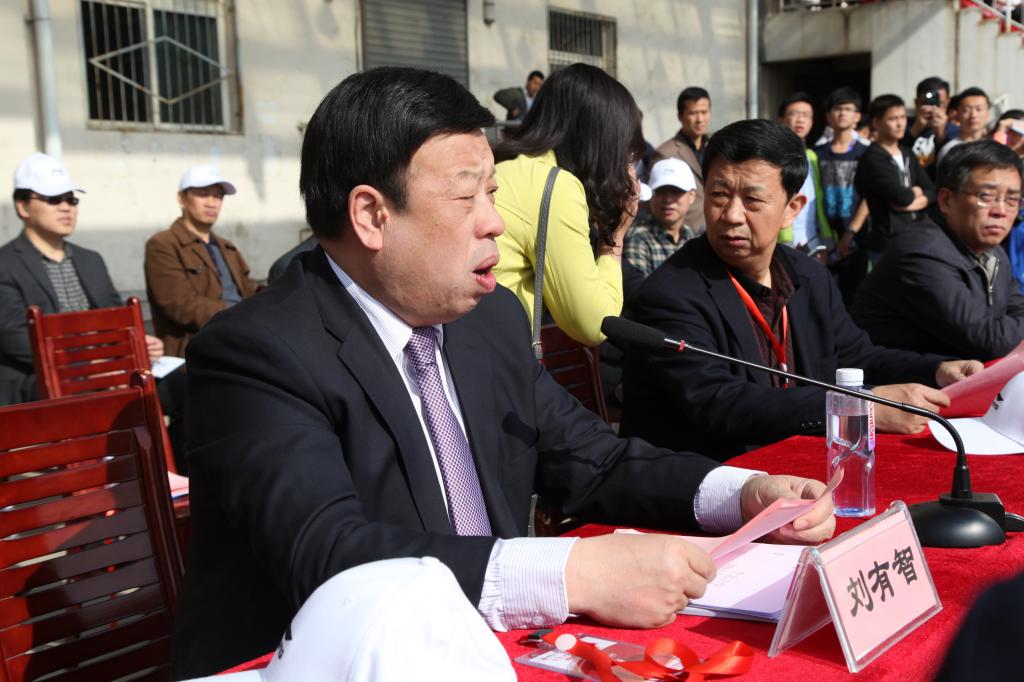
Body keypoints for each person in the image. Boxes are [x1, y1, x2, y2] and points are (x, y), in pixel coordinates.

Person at [170, 68, 836, 679]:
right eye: (467, 198)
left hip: (496, 650)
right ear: (372, 215)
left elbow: (593, 460)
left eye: (491, 192)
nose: (495, 223)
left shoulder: (486, 320)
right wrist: (570, 573)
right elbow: (329, 555)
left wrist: (741, 495)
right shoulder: (256, 353)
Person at [619, 119, 982, 460]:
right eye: (719, 195)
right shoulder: (670, 293)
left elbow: (856, 357)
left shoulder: (808, 275)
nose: (731, 215)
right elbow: (720, 401)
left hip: (802, 465)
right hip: (713, 476)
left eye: (752, 200)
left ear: (792, 209)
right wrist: (857, 406)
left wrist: (936, 370)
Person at [492, 63, 644, 345]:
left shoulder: (505, 166)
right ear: (602, 142)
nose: (626, 165)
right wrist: (614, 239)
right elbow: (596, 324)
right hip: (493, 356)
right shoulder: (555, 186)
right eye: (625, 152)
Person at [0, 153, 164, 406]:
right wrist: (89, 366)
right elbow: (15, 338)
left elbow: (117, 319)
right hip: (37, 387)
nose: (66, 207)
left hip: (104, 373)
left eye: (72, 199)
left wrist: (138, 343)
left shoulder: (91, 260)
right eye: (54, 199)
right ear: (22, 207)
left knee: (179, 386)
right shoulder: (6, 263)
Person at [852, 140, 1024, 361]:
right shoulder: (922, 253)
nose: (1001, 210)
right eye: (986, 196)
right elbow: (991, 341)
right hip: (898, 379)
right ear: (946, 200)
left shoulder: (993, 251)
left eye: (1012, 199)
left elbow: (1017, 310)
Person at [144, 165, 258, 357]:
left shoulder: (227, 247)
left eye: (218, 196)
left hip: (243, 337)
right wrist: (241, 314)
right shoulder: (163, 244)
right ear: (182, 199)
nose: (212, 203)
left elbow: (250, 289)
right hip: (197, 348)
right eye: (203, 194)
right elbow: (181, 305)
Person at [855, 94, 936, 262]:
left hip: (915, 238)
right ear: (876, 123)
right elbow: (901, 197)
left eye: (903, 117)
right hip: (887, 244)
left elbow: (931, 190)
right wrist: (917, 193)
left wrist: (913, 202)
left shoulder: (907, 153)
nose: (900, 124)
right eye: (893, 119)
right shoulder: (872, 159)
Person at [814, 87, 871, 302]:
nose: (842, 113)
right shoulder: (817, 153)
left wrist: (850, 232)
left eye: (848, 109)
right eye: (837, 109)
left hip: (856, 238)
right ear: (828, 116)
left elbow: (868, 196)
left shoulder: (866, 152)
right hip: (825, 237)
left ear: (857, 116)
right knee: (824, 297)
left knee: (853, 297)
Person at [777, 92, 835, 256]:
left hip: (813, 241)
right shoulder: (773, 155)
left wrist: (825, 241)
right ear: (781, 119)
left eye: (806, 115)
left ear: (812, 122)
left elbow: (818, 201)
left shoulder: (812, 156)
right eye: (794, 114)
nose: (800, 119)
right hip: (783, 242)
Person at [623, 158, 698, 279]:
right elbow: (638, 289)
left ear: (692, 196)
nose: (668, 199)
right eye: (660, 191)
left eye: (676, 191)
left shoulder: (691, 237)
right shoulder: (638, 238)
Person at [653, 86, 712, 232]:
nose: (700, 119)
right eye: (693, 113)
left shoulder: (716, 147)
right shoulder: (665, 153)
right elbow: (656, 200)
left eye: (704, 112)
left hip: (715, 229)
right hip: (685, 233)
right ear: (680, 116)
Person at [905, 76, 958, 176]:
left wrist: (941, 135)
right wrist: (914, 131)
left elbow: (952, 163)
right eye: (926, 103)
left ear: (947, 103)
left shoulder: (955, 132)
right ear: (916, 103)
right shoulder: (902, 126)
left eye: (938, 103)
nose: (932, 108)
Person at [937, 87, 992, 164]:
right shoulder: (949, 150)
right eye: (966, 110)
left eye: (979, 109)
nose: (973, 115)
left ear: (987, 113)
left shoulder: (994, 148)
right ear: (958, 114)